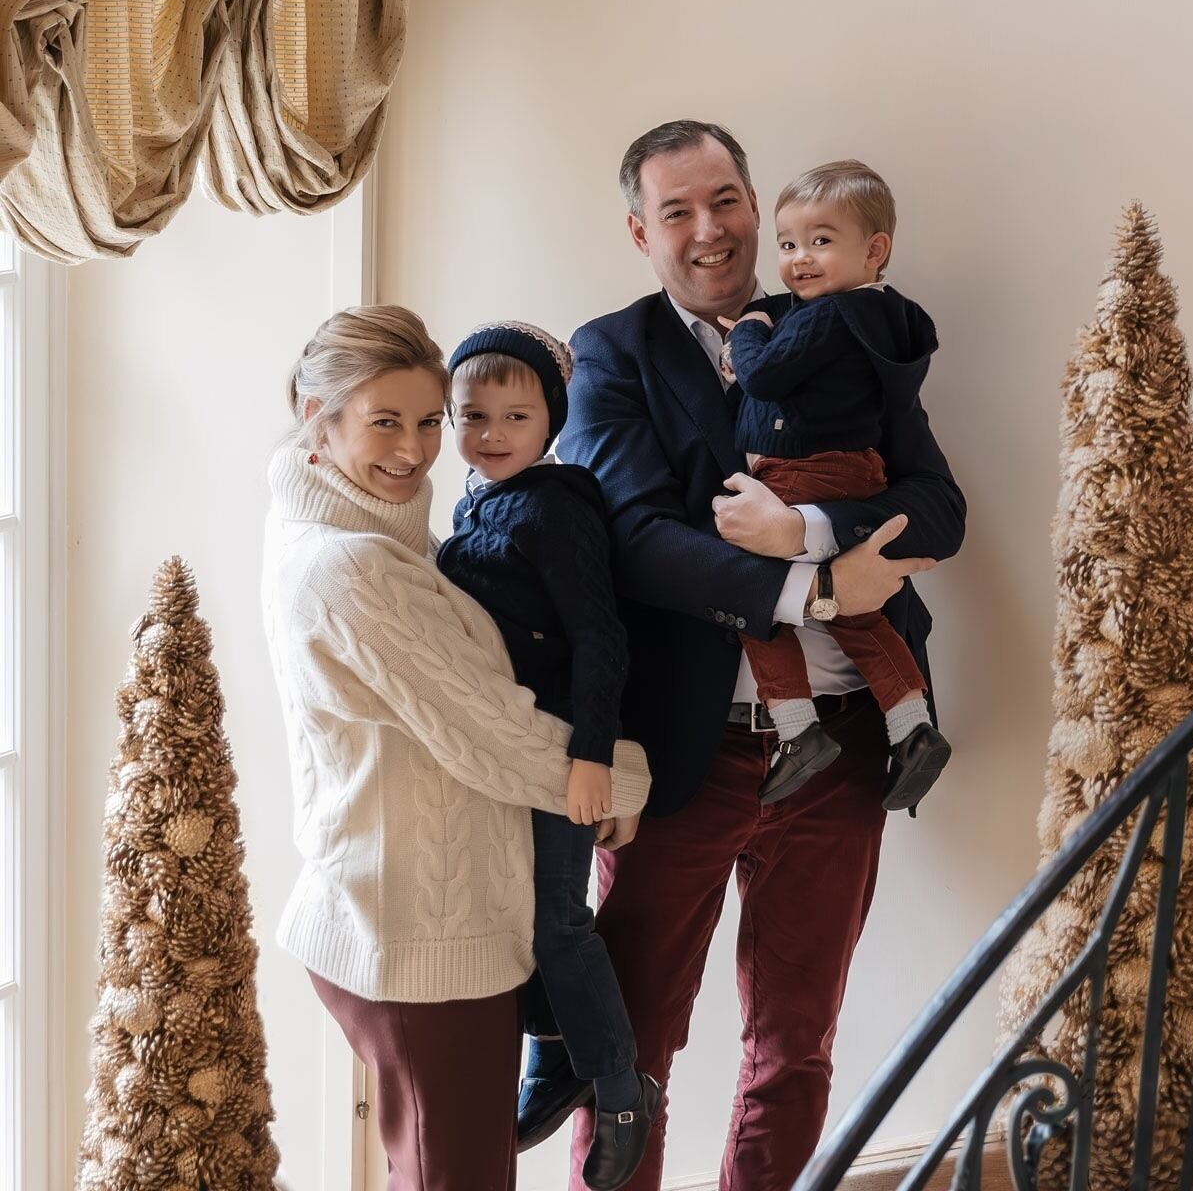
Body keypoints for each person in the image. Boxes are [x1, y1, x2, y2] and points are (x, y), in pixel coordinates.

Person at [537, 121, 966, 1191]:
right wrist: (811, 589)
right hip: (684, 758)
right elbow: (636, 537)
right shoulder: (610, 352)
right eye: (677, 210)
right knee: (630, 1050)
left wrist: (815, 533)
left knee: (795, 1046)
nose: (710, 228)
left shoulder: (851, 331)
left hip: (846, 750)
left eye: (724, 199)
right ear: (642, 232)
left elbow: (934, 504)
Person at [260, 306, 651, 1191]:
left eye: (430, 421)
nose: (415, 448)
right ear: (318, 417)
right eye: (384, 422)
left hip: (394, 920)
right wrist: (623, 780)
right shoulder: (353, 568)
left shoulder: (370, 539)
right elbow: (490, 734)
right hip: (420, 942)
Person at [436, 321, 660, 1191]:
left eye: (514, 416)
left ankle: (619, 1089)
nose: (490, 432)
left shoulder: (555, 507)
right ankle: (558, 1062)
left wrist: (594, 760)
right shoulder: (478, 498)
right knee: (522, 917)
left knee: (557, 920)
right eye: (471, 414)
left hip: (559, 748)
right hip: (511, 744)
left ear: (551, 423)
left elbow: (601, 639)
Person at [719, 159, 952, 809]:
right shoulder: (870, 319)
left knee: (753, 599)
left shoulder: (830, 316)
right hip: (843, 471)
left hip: (806, 476)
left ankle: (799, 733)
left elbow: (765, 377)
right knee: (853, 609)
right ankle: (913, 726)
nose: (798, 260)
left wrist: (747, 333)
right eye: (788, 243)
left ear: (874, 250)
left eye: (820, 241)